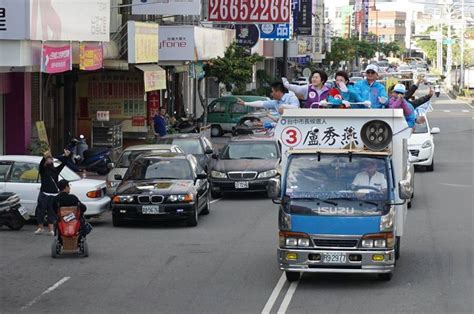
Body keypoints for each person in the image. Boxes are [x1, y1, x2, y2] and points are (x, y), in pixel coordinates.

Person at [35, 149, 71, 235]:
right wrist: (44, 157)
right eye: (48, 159)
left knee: (51, 212)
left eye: (51, 159)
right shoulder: (43, 170)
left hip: (54, 194)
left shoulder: (55, 170)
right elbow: (41, 165)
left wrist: (66, 156)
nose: (50, 160)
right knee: (40, 211)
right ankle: (40, 228)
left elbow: (63, 164)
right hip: (44, 193)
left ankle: (51, 230)